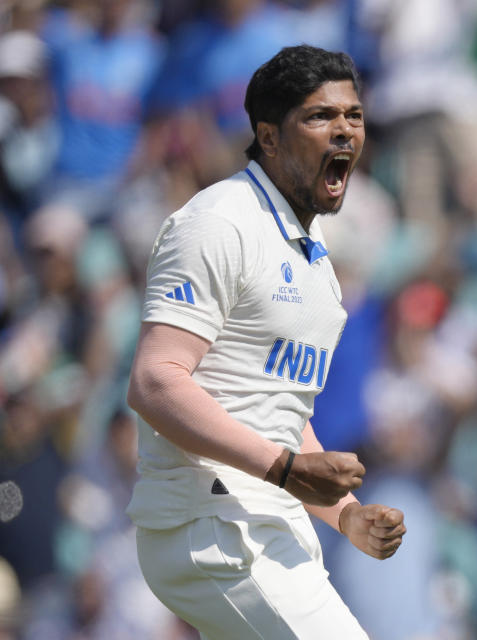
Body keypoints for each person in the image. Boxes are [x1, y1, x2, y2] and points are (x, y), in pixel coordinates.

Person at [125, 45, 406, 639]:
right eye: (319, 116)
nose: (344, 130)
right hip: (214, 522)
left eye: (353, 115)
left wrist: (345, 515)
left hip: (264, 522)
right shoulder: (219, 222)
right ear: (269, 138)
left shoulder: (315, 257)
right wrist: (285, 470)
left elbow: (278, 406)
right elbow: (155, 380)